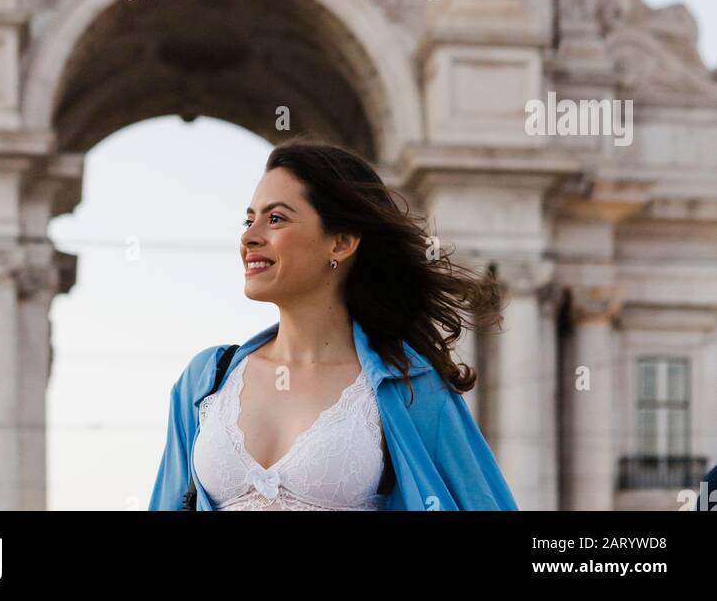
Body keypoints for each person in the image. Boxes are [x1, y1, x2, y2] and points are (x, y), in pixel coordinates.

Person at [148, 138, 519, 511]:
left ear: (340, 243)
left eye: (275, 219)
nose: (249, 237)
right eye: (249, 219)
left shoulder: (411, 386)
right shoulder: (207, 380)